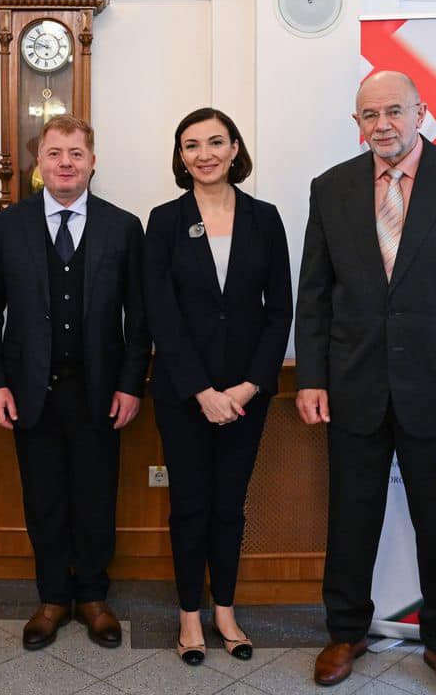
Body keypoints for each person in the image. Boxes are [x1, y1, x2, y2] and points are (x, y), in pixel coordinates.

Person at [295, 71, 436, 695]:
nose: (382, 124)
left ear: (421, 113)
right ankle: (346, 632)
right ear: (356, 124)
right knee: (350, 521)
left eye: (394, 110)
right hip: (352, 386)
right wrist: (311, 377)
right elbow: (315, 295)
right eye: (369, 114)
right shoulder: (330, 188)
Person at [0, 114, 150, 651]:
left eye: (76, 153)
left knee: (96, 498)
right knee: (43, 498)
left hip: (101, 393)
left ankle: (93, 596)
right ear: (39, 162)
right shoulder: (7, 226)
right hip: (31, 393)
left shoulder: (124, 227)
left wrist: (131, 384)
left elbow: (140, 317)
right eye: (55, 153)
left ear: (93, 162)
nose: (66, 163)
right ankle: (52, 597)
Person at [143, 108, 292, 666]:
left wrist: (249, 386)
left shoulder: (265, 218)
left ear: (234, 149)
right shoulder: (164, 219)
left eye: (214, 142)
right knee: (189, 505)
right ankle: (189, 615)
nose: (203, 154)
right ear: (180, 157)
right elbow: (160, 311)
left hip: (246, 395)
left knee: (229, 506)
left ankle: (225, 612)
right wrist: (202, 391)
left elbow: (279, 310)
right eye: (191, 145)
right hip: (184, 394)